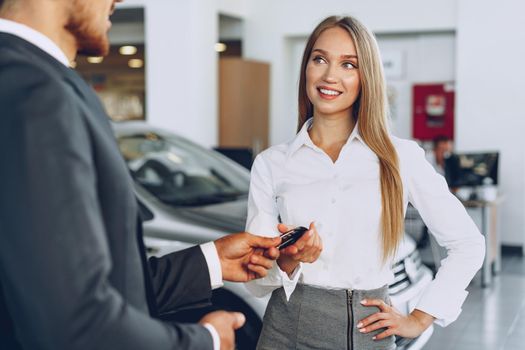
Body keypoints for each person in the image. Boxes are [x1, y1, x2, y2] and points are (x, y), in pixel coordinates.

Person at [0, 1, 283, 349]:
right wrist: (206, 341)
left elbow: (76, 285)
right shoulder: (35, 93)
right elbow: (75, 325)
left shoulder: (30, 80)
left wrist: (212, 260)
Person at [245, 15, 485, 349]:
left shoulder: (399, 158)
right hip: (286, 330)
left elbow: (468, 243)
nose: (330, 75)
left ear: (366, 77)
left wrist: (420, 317)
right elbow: (256, 281)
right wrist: (289, 260)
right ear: (306, 69)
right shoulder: (271, 164)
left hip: (368, 332)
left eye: (348, 64)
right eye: (319, 59)